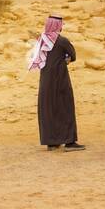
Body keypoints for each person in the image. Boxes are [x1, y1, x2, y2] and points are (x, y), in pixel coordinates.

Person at [28, 15, 84, 152]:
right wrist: (66, 59)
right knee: (65, 107)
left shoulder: (41, 40)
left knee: (49, 108)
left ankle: (51, 142)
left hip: (46, 80)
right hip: (60, 79)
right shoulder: (62, 40)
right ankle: (70, 142)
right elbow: (73, 55)